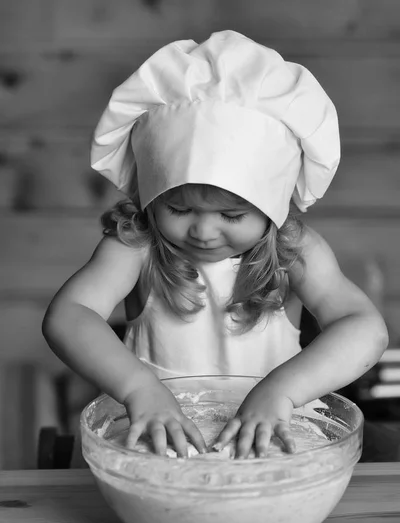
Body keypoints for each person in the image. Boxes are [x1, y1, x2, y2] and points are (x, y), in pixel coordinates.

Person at [42, 31, 388, 460]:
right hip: (155, 439)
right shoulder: (135, 246)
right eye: (179, 208)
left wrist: (282, 390)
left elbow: (364, 328)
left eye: (231, 216)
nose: (204, 232)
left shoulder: (294, 250)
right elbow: (68, 317)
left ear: (271, 206)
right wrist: (139, 390)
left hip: (272, 437)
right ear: (150, 195)